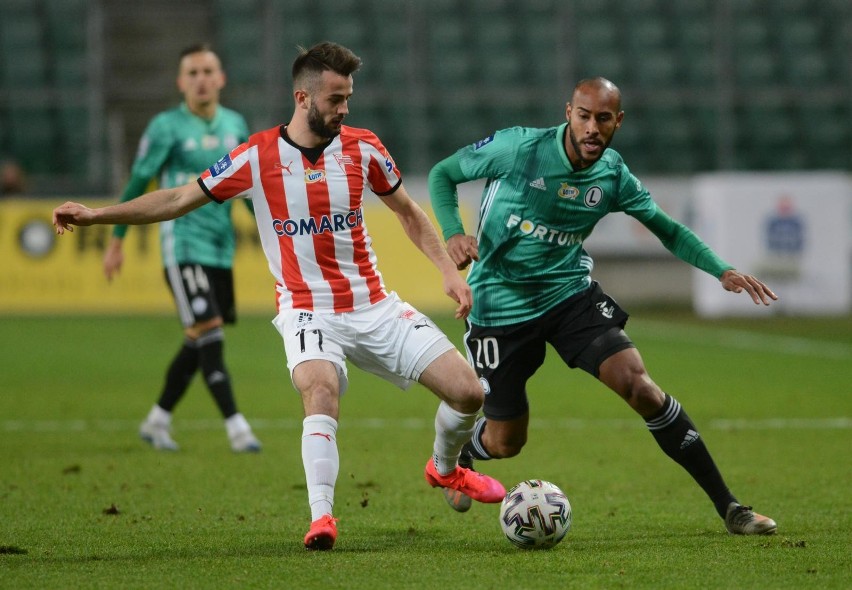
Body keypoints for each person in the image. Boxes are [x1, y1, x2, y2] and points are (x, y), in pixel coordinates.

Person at [53, 41, 506, 551]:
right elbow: (178, 197)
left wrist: (447, 270)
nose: (345, 109)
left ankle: (444, 469)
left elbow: (407, 212)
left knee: (469, 393)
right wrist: (97, 215)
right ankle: (322, 518)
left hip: (373, 303)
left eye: (348, 97)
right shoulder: (257, 156)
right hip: (306, 307)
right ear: (303, 97)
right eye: (336, 99)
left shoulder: (364, 148)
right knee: (319, 388)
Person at [428, 77, 779, 535]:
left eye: (604, 119)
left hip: (567, 294)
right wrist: (454, 231)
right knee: (507, 442)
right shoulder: (519, 148)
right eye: (584, 116)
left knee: (641, 387)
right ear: (568, 112)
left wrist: (720, 270)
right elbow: (442, 174)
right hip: (499, 307)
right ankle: (468, 452)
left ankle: (732, 508)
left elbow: (667, 228)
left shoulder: (612, 175)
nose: (593, 128)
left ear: (618, 121)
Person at [102, 43, 261, 454]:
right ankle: (237, 427)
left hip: (220, 248)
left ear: (222, 78)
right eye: (192, 73)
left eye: (208, 71)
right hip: (183, 245)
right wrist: (116, 239)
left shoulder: (236, 124)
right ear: (180, 82)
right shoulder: (165, 127)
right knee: (208, 328)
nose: (201, 79)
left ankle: (157, 420)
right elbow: (139, 182)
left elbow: (246, 188)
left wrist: (269, 231)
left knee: (200, 336)